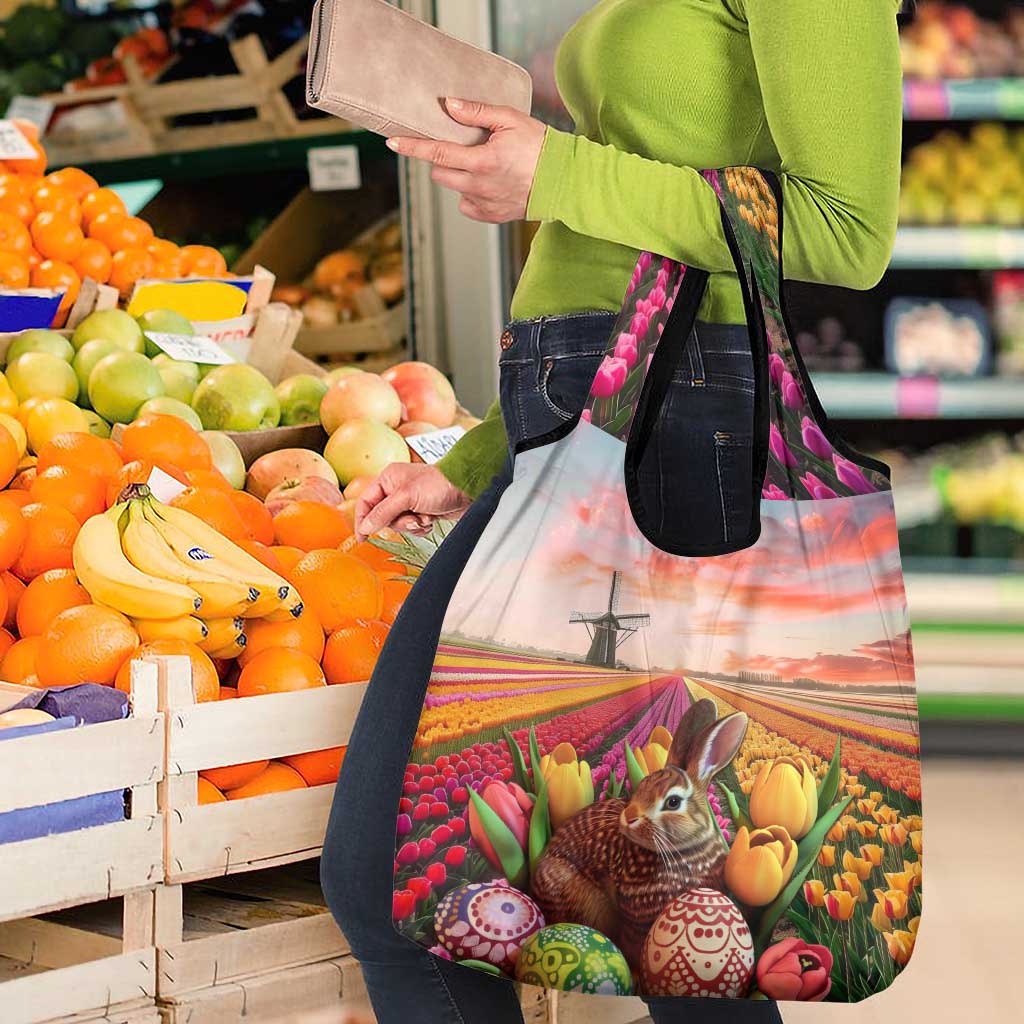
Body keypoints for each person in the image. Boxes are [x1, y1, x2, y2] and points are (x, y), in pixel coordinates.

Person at [323, 2, 907, 1022]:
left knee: (425, 886)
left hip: (675, 434)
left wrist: (556, 171)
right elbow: (620, 252)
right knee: (663, 938)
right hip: (583, 429)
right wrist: (480, 456)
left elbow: (846, 229)